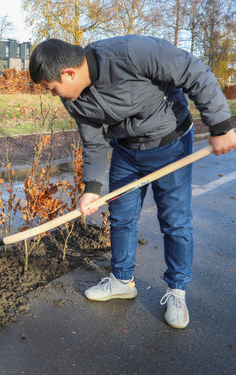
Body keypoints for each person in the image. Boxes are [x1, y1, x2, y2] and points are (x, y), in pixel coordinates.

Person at [29, 36, 236, 329]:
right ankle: (122, 281)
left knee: (175, 221)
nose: (54, 95)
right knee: (122, 217)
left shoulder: (130, 53)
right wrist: (91, 190)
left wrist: (219, 124)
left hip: (170, 144)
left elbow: (193, 71)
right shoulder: (73, 98)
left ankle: (177, 290)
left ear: (69, 73)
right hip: (126, 151)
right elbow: (94, 143)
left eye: (52, 88)